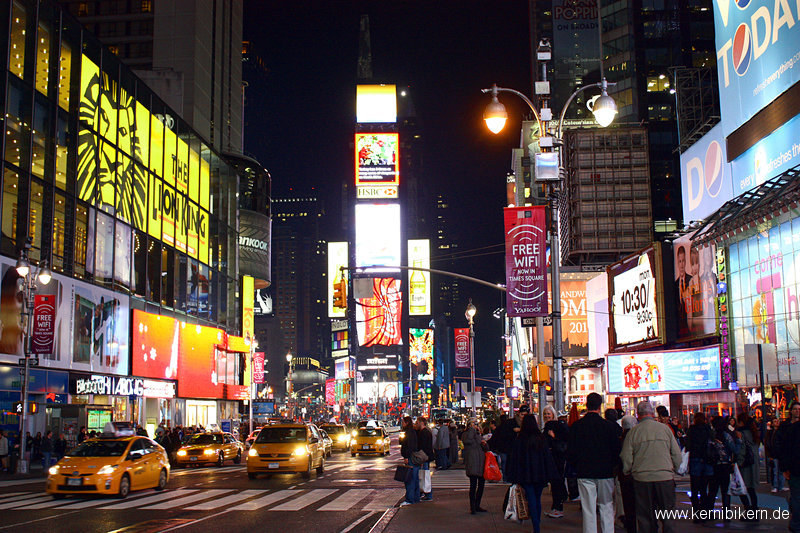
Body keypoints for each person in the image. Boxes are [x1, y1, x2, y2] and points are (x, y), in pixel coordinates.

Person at [620, 401, 682, 533]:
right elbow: (676, 454)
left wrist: (627, 470)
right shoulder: (665, 429)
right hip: (665, 478)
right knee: (668, 514)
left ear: (638, 414)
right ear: (653, 413)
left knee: (645, 516)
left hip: (642, 479)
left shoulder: (633, 432)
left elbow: (626, 457)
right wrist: (676, 469)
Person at [567, 392, 621, 533]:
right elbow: (616, 450)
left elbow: (571, 451)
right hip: (605, 472)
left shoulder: (577, 426)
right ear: (600, 406)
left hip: (584, 471)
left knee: (588, 508)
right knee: (606, 505)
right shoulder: (609, 427)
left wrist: (577, 465)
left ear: (586, 404)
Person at [507, 414, 557, 533]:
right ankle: (537, 525)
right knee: (537, 499)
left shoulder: (520, 439)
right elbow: (547, 457)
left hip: (525, 474)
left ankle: (536, 526)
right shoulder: (540, 438)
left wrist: (513, 475)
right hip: (540, 474)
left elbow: (515, 458)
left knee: (531, 498)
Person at [707, 415, 739, 518]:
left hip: (714, 465)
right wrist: (739, 441)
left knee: (712, 490)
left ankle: (709, 512)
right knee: (725, 491)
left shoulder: (711, 436)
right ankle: (726, 513)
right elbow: (734, 449)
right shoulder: (726, 436)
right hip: (725, 465)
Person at [542, 405, 569, 519]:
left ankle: (558, 507)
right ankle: (556, 507)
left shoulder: (552, 426)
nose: (547, 416)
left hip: (556, 458)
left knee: (556, 482)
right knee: (556, 482)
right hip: (558, 458)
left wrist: (553, 437)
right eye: (545, 414)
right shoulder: (559, 425)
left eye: (549, 414)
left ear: (553, 414)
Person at [686, 412, 713, 520]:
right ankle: (704, 511)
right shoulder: (707, 429)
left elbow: (688, 445)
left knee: (695, 488)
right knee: (704, 488)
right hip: (707, 459)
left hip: (695, 458)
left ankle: (696, 513)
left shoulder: (691, 430)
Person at [779, 401, 800, 533]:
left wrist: (785, 468)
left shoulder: (791, 429)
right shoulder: (788, 427)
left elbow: (785, 449)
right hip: (795, 468)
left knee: (797, 498)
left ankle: (796, 524)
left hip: (795, 468)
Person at [735, 413, 760, 517]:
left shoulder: (740, 433)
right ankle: (755, 511)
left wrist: (738, 463)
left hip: (745, 464)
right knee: (751, 489)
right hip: (753, 463)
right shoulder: (754, 433)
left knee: (741, 488)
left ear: (741, 422)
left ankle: (748, 511)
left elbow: (742, 450)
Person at [462, 417, 486, 514]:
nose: (475, 426)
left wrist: (483, 441)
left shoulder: (478, 434)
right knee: (473, 485)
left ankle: (477, 504)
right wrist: (472, 429)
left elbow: (484, 447)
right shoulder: (466, 434)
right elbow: (468, 441)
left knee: (481, 485)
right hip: (472, 463)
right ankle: (473, 507)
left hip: (481, 462)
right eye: (473, 424)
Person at [618, 415, 638, 533]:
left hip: (624, 476)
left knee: (628, 502)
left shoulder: (621, 438)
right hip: (635, 474)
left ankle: (630, 525)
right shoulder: (636, 437)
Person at [399, 416, 420, 506]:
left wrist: (406, 456)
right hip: (413, 457)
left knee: (410, 479)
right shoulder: (413, 431)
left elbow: (408, 445)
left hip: (410, 457)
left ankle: (410, 499)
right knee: (414, 479)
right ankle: (416, 498)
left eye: (403, 422)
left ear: (407, 423)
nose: (402, 424)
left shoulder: (409, 432)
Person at [416, 417, 434, 501]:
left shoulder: (423, 433)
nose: (416, 424)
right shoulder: (427, 431)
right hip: (427, 456)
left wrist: (422, 459)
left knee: (424, 476)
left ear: (421, 423)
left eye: (417, 422)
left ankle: (427, 494)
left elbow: (423, 446)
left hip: (424, 457)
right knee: (424, 475)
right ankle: (424, 493)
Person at [763, 419, 784, 493]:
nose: (777, 422)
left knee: (780, 471)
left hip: (780, 454)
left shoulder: (780, 432)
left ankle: (780, 486)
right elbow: (768, 443)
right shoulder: (771, 433)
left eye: (778, 421)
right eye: (775, 421)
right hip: (774, 454)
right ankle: (776, 486)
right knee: (775, 471)